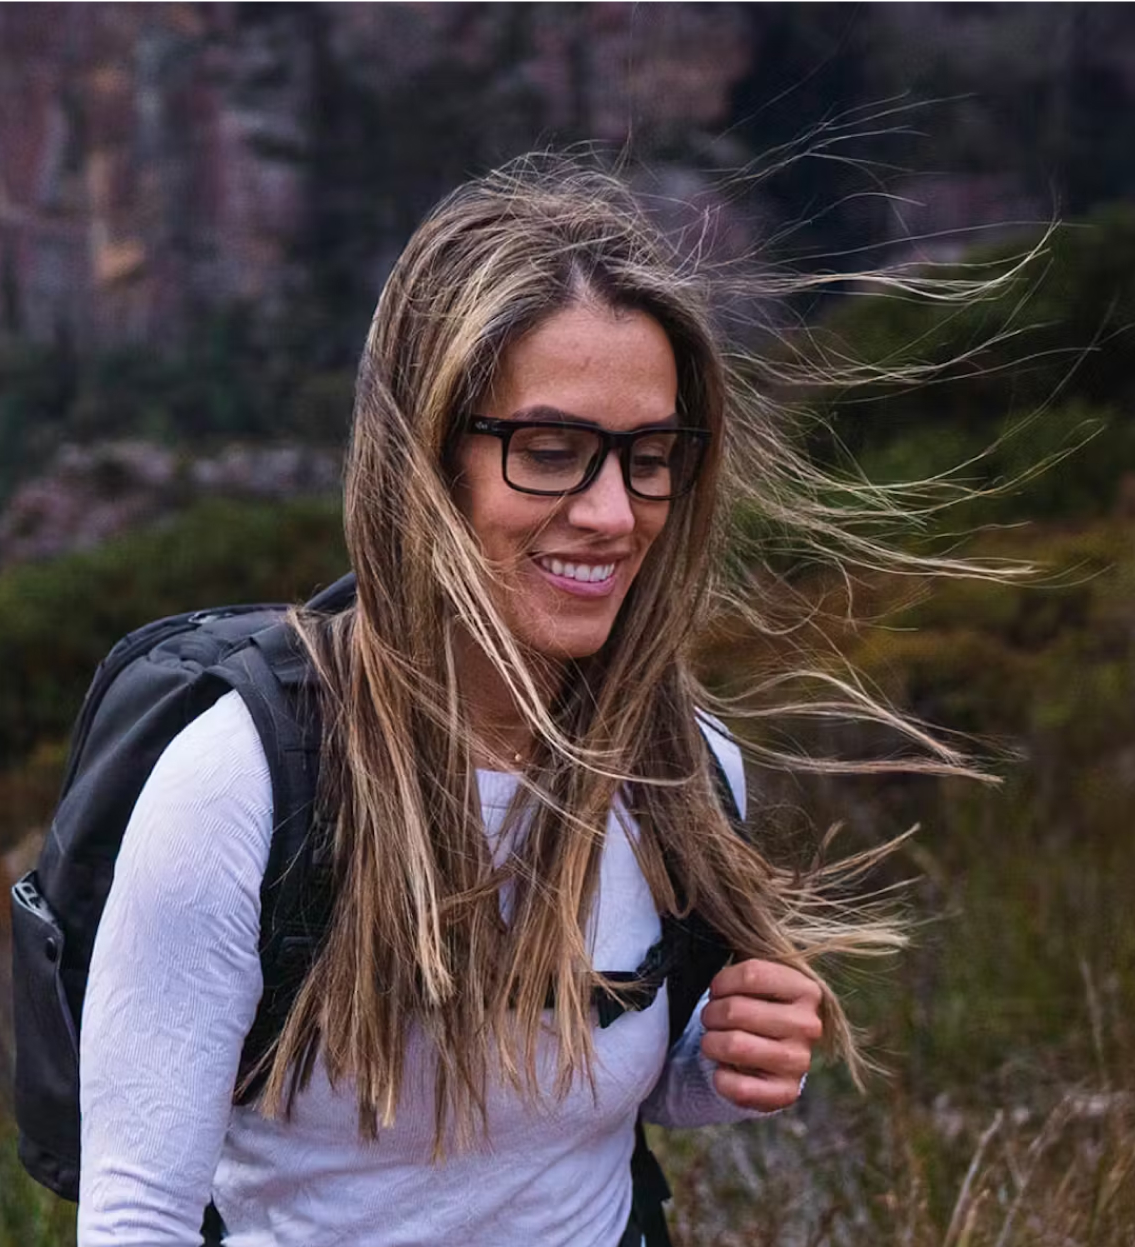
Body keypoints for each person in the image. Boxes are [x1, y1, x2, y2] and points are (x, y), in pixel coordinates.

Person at [74, 154, 966, 1245]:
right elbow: (136, 1215)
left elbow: (587, 1114)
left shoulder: (686, 773)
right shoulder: (245, 786)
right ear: (426, 458)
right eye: (550, 451)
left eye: (652, 456)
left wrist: (719, 1063)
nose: (613, 511)